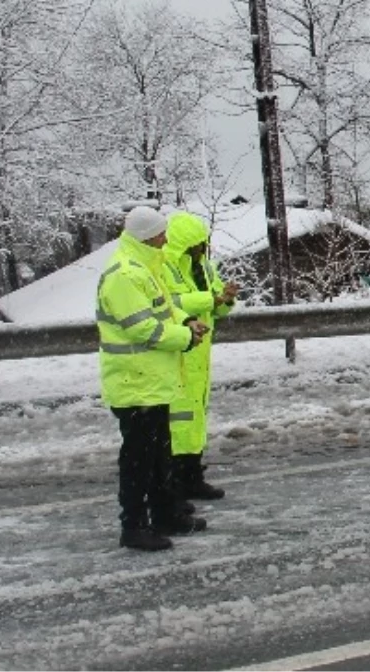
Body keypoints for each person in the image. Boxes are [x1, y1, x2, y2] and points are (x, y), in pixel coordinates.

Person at [98, 206, 210, 551]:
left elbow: (165, 310)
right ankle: (133, 526)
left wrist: (187, 320)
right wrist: (184, 337)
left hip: (152, 382)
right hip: (135, 386)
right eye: (161, 233)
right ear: (148, 236)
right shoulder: (125, 274)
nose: (166, 238)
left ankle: (165, 514)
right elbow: (142, 328)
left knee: (160, 456)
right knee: (138, 463)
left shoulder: (146, 266)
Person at [162, 211, 239, 501]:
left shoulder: (204, 267)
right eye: (197, 244)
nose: (203, 248)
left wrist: (226, 299)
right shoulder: (165, 267)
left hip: (199, 351)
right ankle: (174, 480)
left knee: (195, 417)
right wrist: (211, 299)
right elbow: (171, 303)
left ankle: (192, 475)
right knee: (177, 420)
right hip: (178, 351)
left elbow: (215, 303)